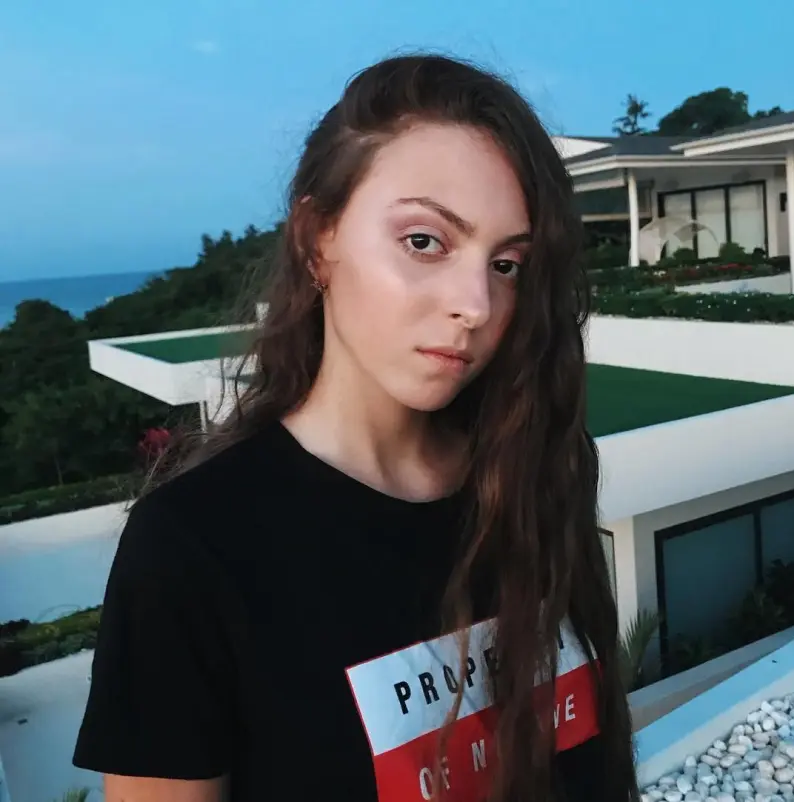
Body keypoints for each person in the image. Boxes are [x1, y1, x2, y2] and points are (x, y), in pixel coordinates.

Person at [73, 53, 638, 802]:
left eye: (507, 264)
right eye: (425, 241)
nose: (476, 304)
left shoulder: (539, 472)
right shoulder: (194, 546)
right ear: (318, 240)